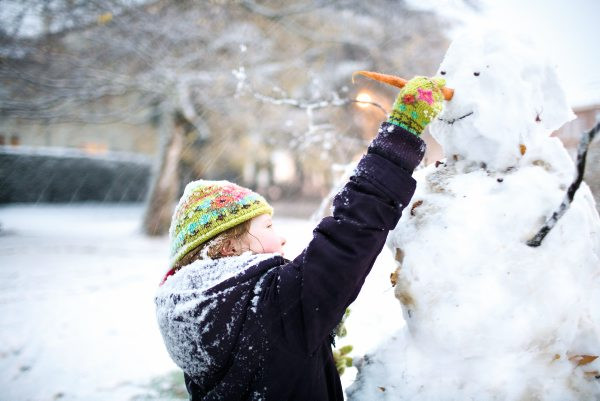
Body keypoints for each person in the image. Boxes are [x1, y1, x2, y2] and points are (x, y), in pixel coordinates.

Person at [155, 76, 446, 400]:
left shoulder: (192, 318)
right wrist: (403, 131)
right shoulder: (274, 306)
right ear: (226, 247)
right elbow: (351, 231)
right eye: (266, 228)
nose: (280, 241)